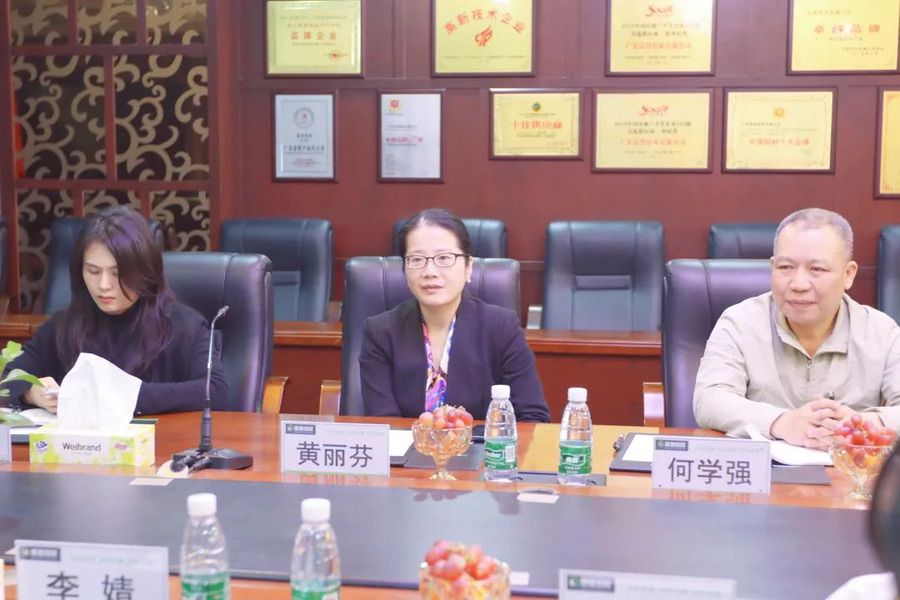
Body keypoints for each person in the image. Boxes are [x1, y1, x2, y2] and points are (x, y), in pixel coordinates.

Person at [694, 208, 900, 448]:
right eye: (785, 267)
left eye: (817, 269)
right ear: (772, 266)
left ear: (848, 274)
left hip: (846, 467)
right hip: (763, 468)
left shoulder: (881, 332)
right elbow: (709, 400)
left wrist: (862, 424)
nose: (799, 284)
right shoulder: (740, 322)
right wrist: (781, 423)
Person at [5, 206, 227, 415]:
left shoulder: (183, 325)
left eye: (117, 273)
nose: (104, 285)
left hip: (161, 441)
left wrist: (124, 396)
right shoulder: (64, 325)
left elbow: (215, 392)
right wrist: (31, 392)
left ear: (145, 271)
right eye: (93, 271)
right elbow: (6, 378)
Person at [360, 208, 550, 422]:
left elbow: (533, 417)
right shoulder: (381, 332)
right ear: (404, 270)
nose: (430, 271)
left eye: (444, 258)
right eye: (417, 259)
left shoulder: (502, 328)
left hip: (483, 444)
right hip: (405, 445)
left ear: (468, 267)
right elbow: (383, 423)